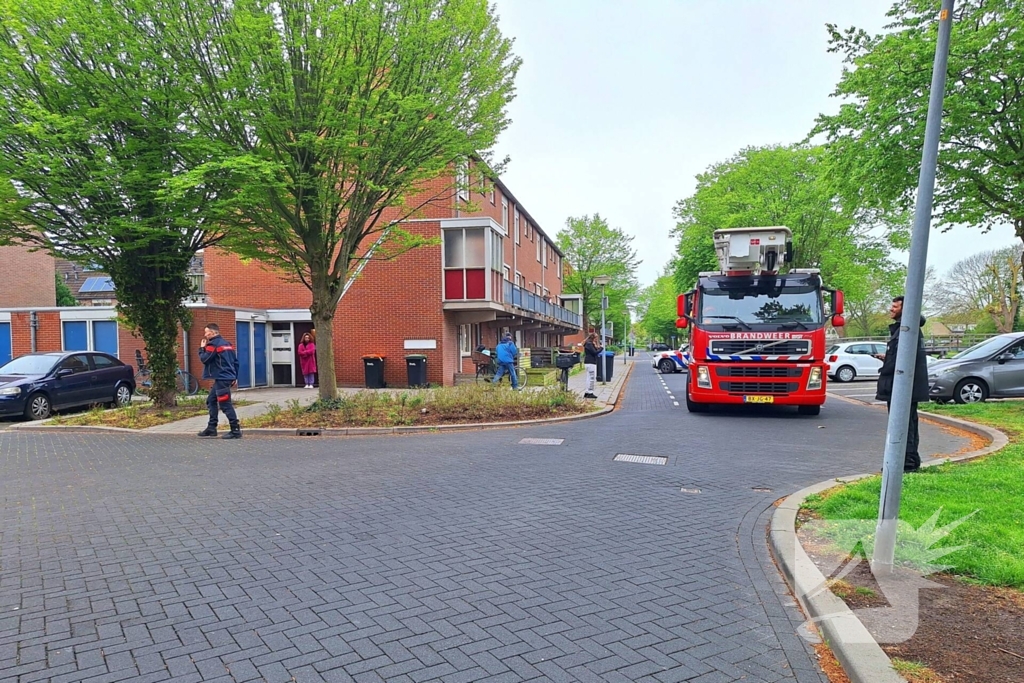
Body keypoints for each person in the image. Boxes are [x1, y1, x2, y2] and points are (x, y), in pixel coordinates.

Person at [874, 296, 930, 472]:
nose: (891, 309)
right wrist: (888, 358)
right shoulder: (905, 330)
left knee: (903, 424)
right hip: (906, 386)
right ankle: (908, 460)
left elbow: (902, 360)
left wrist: (887, 366)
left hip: (903, 387)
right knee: (908, 422)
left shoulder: (906, 331)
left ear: (905, 310)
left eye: (895, 306)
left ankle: (906, 463)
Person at [197, 323, 242, 439]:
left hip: (222, 378)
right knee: (211, 400)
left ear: (212, 333)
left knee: (225, 404)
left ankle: (235, 430)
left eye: (206, 332)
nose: (205, 335)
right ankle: (211, 428)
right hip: (226, 377)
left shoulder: (213, 345)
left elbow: (205, 359)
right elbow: (235, 362)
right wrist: (234, 377)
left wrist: (202, 348)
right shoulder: (227, 344)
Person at [583, 332, 602, 399]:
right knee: (592, 378)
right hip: (591, 362)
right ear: (593, 337)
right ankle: (590, 393)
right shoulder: (589, 344)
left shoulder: (588, 344)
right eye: (596, 337)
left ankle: (587, 392)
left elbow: (593, 351)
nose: (597, 339)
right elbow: (594, 353)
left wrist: (597, 347)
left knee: (588, 378)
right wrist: (601, 348)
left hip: (588, 362)